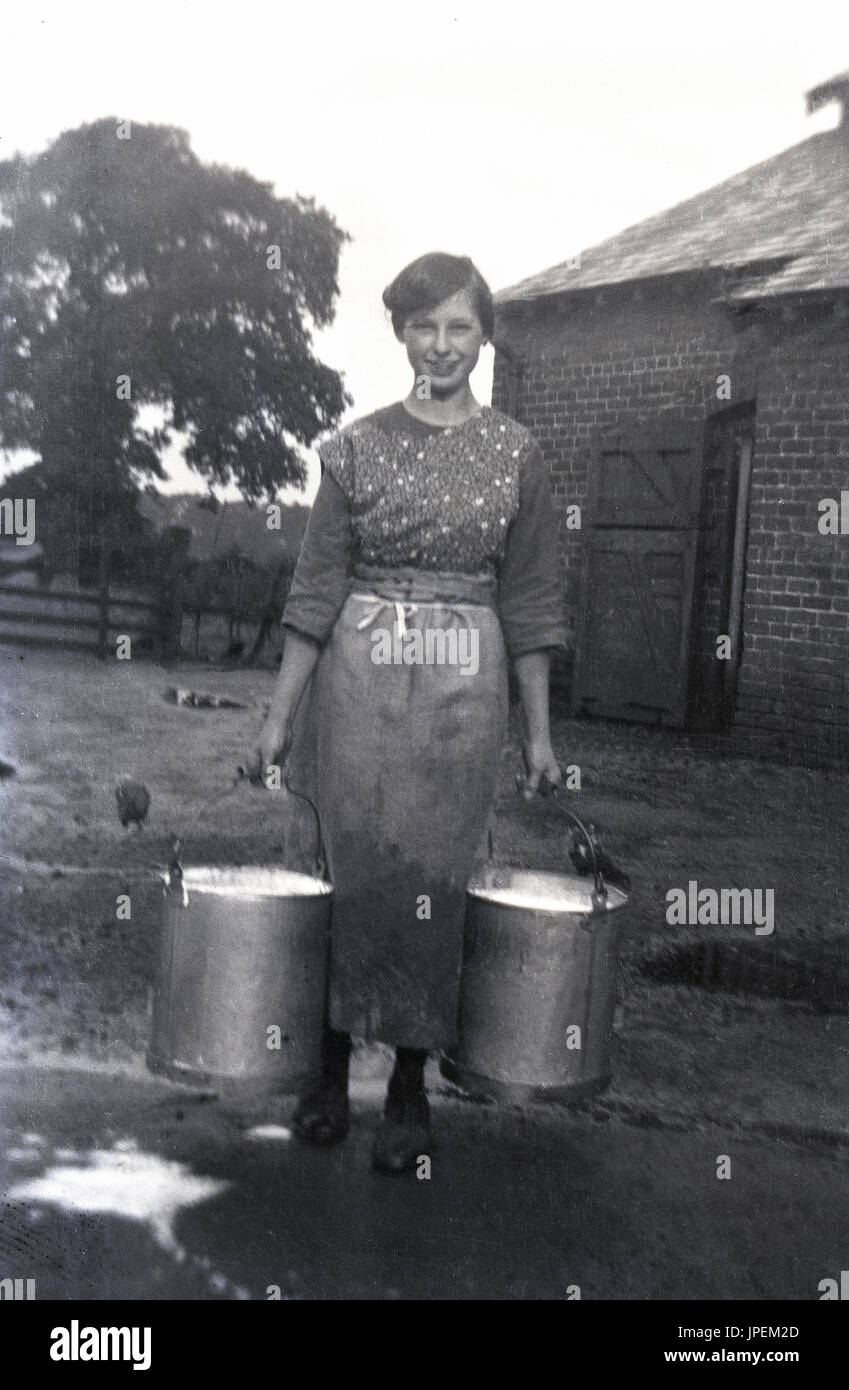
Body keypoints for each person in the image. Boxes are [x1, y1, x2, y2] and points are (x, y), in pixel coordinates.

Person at [254, 252, 569, 1174]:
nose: (440, 345)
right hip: (356, 680)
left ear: (484, 337)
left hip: (462, 693)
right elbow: (314, 593)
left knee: (434, 878)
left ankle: (407, 1090)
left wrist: (539, 736)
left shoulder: (518, 456)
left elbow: (535, 604)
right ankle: (326, 1070)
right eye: (423, 326)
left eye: (459, 327)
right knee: (342, 872)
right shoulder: (352, 448)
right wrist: (277, 720)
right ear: (398, 332)